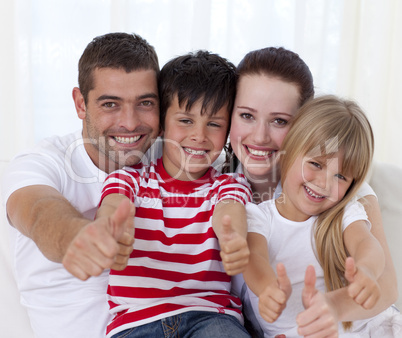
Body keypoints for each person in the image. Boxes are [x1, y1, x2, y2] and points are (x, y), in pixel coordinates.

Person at [227, 47, 398, 336]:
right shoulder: (219, 187)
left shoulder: (344, 193)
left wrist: (331, 308)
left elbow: (385, 284)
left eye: (280, 120)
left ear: (303, 126)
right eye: (246, 115)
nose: (259, 136)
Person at [1, 32, 161, 338]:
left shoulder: (171, 158)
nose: (129, 122)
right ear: (80, 103)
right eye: (111, 104)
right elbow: (38, 212)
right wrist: (78, 236)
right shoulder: (41, 162)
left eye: (145, 103)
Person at [96, 50, 252, 338]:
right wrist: (109, 228)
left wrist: (233, 238)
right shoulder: (130, 178)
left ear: (228, 131)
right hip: (137, 322)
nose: (199, 135)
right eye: (185, 121)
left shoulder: (228, 185)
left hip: (211, 316)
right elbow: (113, 203)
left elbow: (230, 212)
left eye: (214, 124)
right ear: (162, 124)